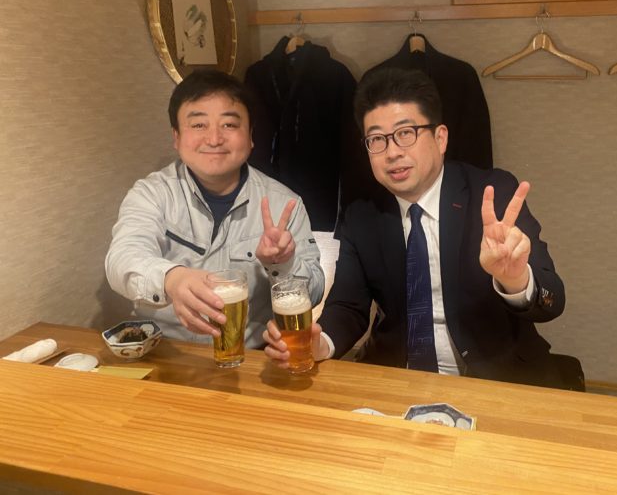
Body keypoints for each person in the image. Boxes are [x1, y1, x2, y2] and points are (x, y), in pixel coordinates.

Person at [264, 67, 582, 389]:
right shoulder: (362, 215)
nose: (392, 152)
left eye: (406, 133)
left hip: (497, 379)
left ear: (440, 138)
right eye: (377, 139)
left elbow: (552, 299)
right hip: (399, 378)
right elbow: (349, 306)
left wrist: (515, 280)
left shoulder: (492, 193)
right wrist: (319, 344)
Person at [105, 69, 324, 347]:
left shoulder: (284, 203)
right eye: (198, 125)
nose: (214, 139)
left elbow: (314, 293)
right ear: (176, 137)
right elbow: (121, 259)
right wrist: (173, 278)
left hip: (249, 355)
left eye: (229, 125)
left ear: (250, 136)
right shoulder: (152, 193)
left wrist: (283, 263)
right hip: (165, 351)